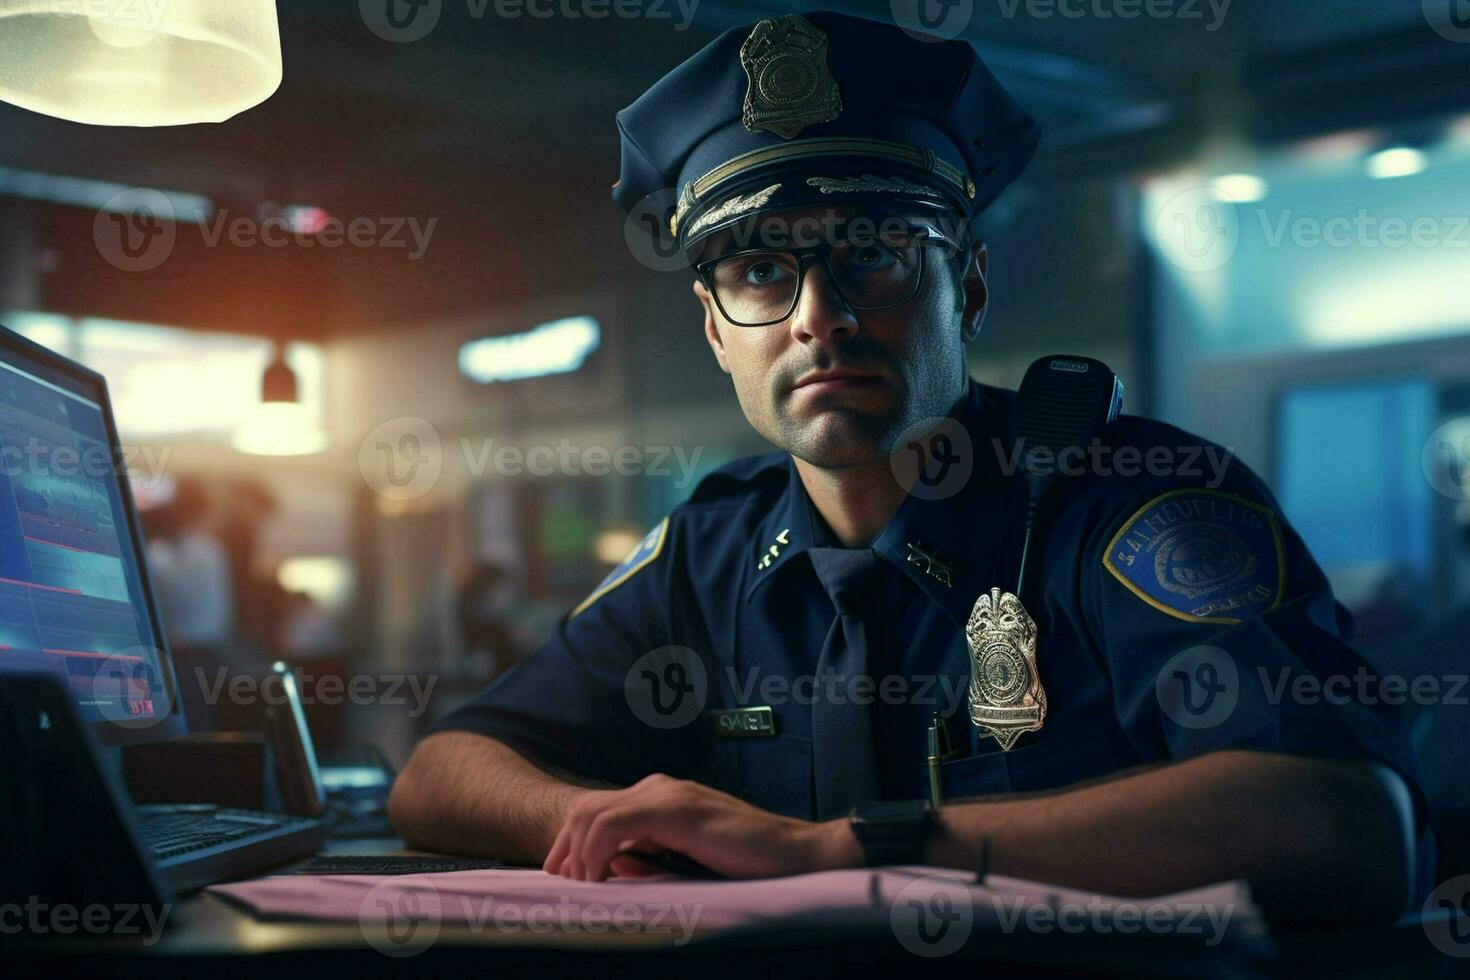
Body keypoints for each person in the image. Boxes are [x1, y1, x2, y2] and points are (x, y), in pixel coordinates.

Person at [389, 10, 1429, 924]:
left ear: (966, 288)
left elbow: (1345, 822)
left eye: (873, 252)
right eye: (759, 269)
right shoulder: (706, 551)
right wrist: (592, 818)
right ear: (714, 329)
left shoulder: (1135, 499)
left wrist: (838, 847)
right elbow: (439, 773)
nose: (818, 318)